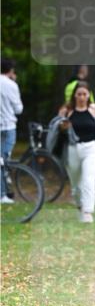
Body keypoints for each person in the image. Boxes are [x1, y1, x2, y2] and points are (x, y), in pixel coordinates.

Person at [60, 82, 95, 223]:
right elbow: (57, 130)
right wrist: (63, 126)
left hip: (91, 149)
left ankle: (87, 211)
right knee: (76, 185)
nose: (82, 97)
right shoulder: (67, 110)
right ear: (74, 95)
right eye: (79, 94)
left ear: (89, 95)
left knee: (88, 180)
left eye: (85, 94)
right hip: (72, 149)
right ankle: (80, 206)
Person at [0, 58, 24, 204]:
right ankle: (3, 193)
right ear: (11, 70)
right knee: (4, 160)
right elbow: (18, 109)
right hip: (8, 126)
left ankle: (4, 190)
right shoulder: (11, 85)